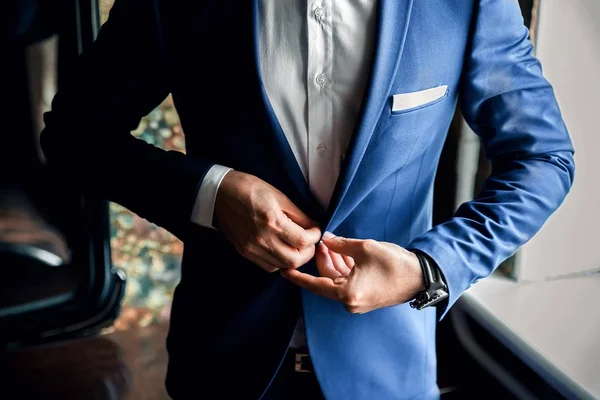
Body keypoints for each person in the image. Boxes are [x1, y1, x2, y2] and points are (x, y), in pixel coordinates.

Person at [40, 0, 575, 399]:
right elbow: (73, 135)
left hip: (387, 373)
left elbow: (543, 159)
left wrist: (429, 268)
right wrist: (212, 192)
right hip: (223, 364)